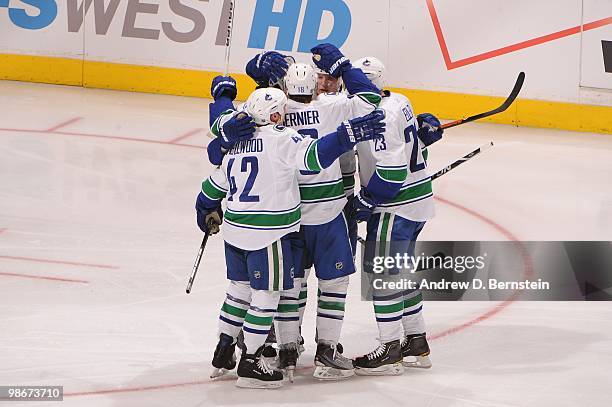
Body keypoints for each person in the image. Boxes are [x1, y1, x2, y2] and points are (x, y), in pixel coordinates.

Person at [196, 87, 386, 388]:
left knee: (239, 291)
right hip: (267, 234)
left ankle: (224, 349)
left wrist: (204, 210)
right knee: (266, 297)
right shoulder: (283, 138)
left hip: (234, 232)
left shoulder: (235, 143)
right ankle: (251, 363)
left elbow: (211, 187)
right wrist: (345, 137)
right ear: (273, 114)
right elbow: (313, 158)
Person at [347, 56, 443, 375]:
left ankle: (390, 348)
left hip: (395, 206)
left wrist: (368, 198)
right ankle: (415, 340)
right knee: (399, 272)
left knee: (383, 275)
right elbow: (414, 148)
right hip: (418, 201)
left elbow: (392, 172)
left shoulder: (378, 114)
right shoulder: (400, 100)